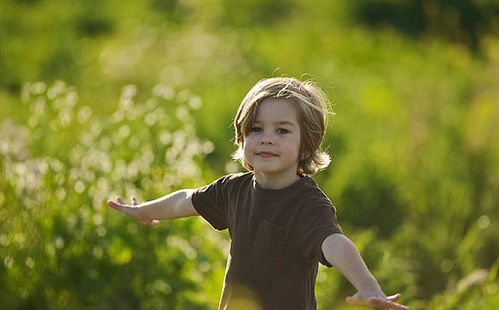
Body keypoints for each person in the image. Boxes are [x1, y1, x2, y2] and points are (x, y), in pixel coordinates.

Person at [108, 77, 409, 310]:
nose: (266, 139)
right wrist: (145, 210)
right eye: (256, 129)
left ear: (307, 144)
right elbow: (187, 200)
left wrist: (368, 286)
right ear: (241, 138)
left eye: (282, 131)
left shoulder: (307, 204)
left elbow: (334, 243)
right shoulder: (233, 189)